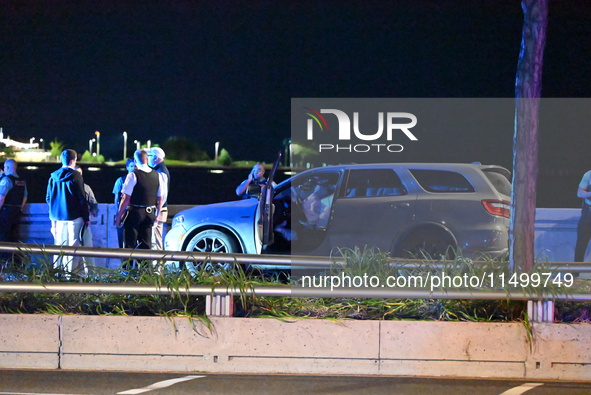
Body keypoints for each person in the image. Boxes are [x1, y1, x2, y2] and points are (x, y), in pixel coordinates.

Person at [46, 149, 89, 275]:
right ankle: (71, 275)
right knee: (73, 247)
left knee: (59, 246)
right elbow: (81, 197)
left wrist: (53, 215)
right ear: (73, 160)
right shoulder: (76, 176)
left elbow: (48, 198)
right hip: (74, 217)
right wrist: (86, 217)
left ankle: (58, 273)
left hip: (57, 218)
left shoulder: (53, 176)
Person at [115, 149, 165, 256]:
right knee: (146, 246)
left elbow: (125, 198)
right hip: (150, 213)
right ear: (147, 159)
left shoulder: (133, 175)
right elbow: (160, 199)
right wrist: (157, 215)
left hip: (134, 213)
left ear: (135, 160)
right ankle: (144, 270)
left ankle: (128, 271)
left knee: (129, 245)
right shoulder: (158, 176)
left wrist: (119, 215)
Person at [0, 159, 28, 264]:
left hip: (5, 213)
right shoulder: (22, 181)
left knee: (3, 239)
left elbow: (1, 198)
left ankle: (5, 263)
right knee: (14, 239)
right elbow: (25, 197)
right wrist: (19, 208)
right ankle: (15, 264)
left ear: (6, 167)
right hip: (16, 213)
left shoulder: (6, 180)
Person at [75, 167, 99, 267]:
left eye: (80, 173)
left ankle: (90, 275)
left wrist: (93, 211)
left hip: (84, 223)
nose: (78, 176)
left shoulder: (86, 188)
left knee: (88, 249)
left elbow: (94, 203)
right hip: (75, 220)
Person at [148, 147, 170, 250]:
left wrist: (157, 213)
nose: (147, 158)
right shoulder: (161, 170)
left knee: (155, 241)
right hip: (159, 210)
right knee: (155, 240)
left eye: (149, 156)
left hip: (158, 211)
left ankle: (158, 265)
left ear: (156, 158)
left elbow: (163, 195)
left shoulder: (161, 172)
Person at [112, 158, 136, 248]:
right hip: (124, 213)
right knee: (122, 240)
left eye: (135, 166)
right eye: (131, 166)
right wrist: (118, 213)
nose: (133, 168)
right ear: (127, 167)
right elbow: (116, 198)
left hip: (135, 213)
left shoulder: (139, 179)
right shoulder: (121, 180)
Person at [575, 169, 591, 262]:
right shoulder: (589, 174)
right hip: (588, 213)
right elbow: (579, 193)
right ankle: (575, 272)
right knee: (581, 243)